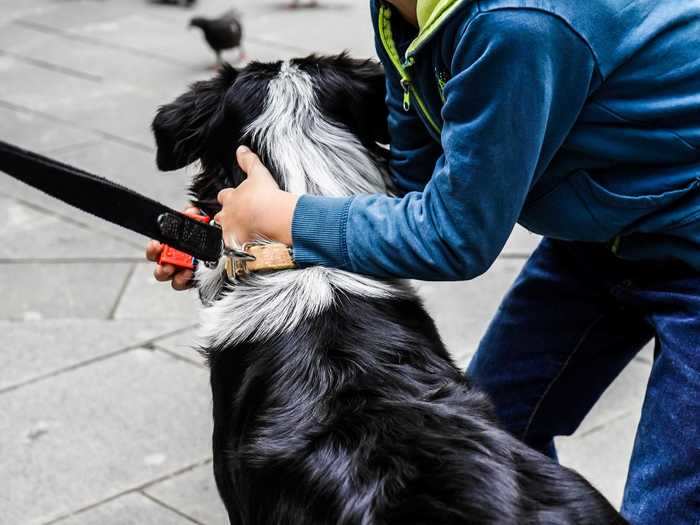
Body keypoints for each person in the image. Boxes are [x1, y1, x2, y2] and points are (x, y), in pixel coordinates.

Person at [147, 0, 700, 522]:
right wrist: (227, 226)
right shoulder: (403, 9)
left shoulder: (517, 24)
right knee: (491, 421)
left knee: (666, 505)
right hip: (598, 241)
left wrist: (287, 218)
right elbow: (414, 179)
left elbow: (456, 235)